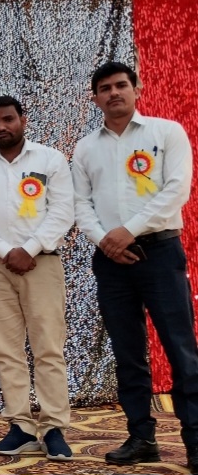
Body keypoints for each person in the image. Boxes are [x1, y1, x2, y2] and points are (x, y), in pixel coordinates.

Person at [72, 61, 198, 471]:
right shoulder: (86, 148)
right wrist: (106, 242)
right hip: (111, 261)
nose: (113, 93)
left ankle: (195, 440)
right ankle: (141, 437)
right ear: (95, 98)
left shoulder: (166, 132)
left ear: (137, 88)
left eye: (120, 85)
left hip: (160, 253)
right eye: (104, 88)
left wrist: (128, 231)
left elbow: (177, 189)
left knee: (181, 350)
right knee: (127, 353)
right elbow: (80, 204)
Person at [0, 95, 74, 460]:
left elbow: (62, 211)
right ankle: (21, 427)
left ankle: (53, 426)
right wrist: (5, 250)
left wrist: (30, 248)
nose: (1, 127)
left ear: (23, 120)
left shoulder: (50, 159)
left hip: (41, 263)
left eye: (7, 119)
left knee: (48, 347)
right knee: (7, 350)